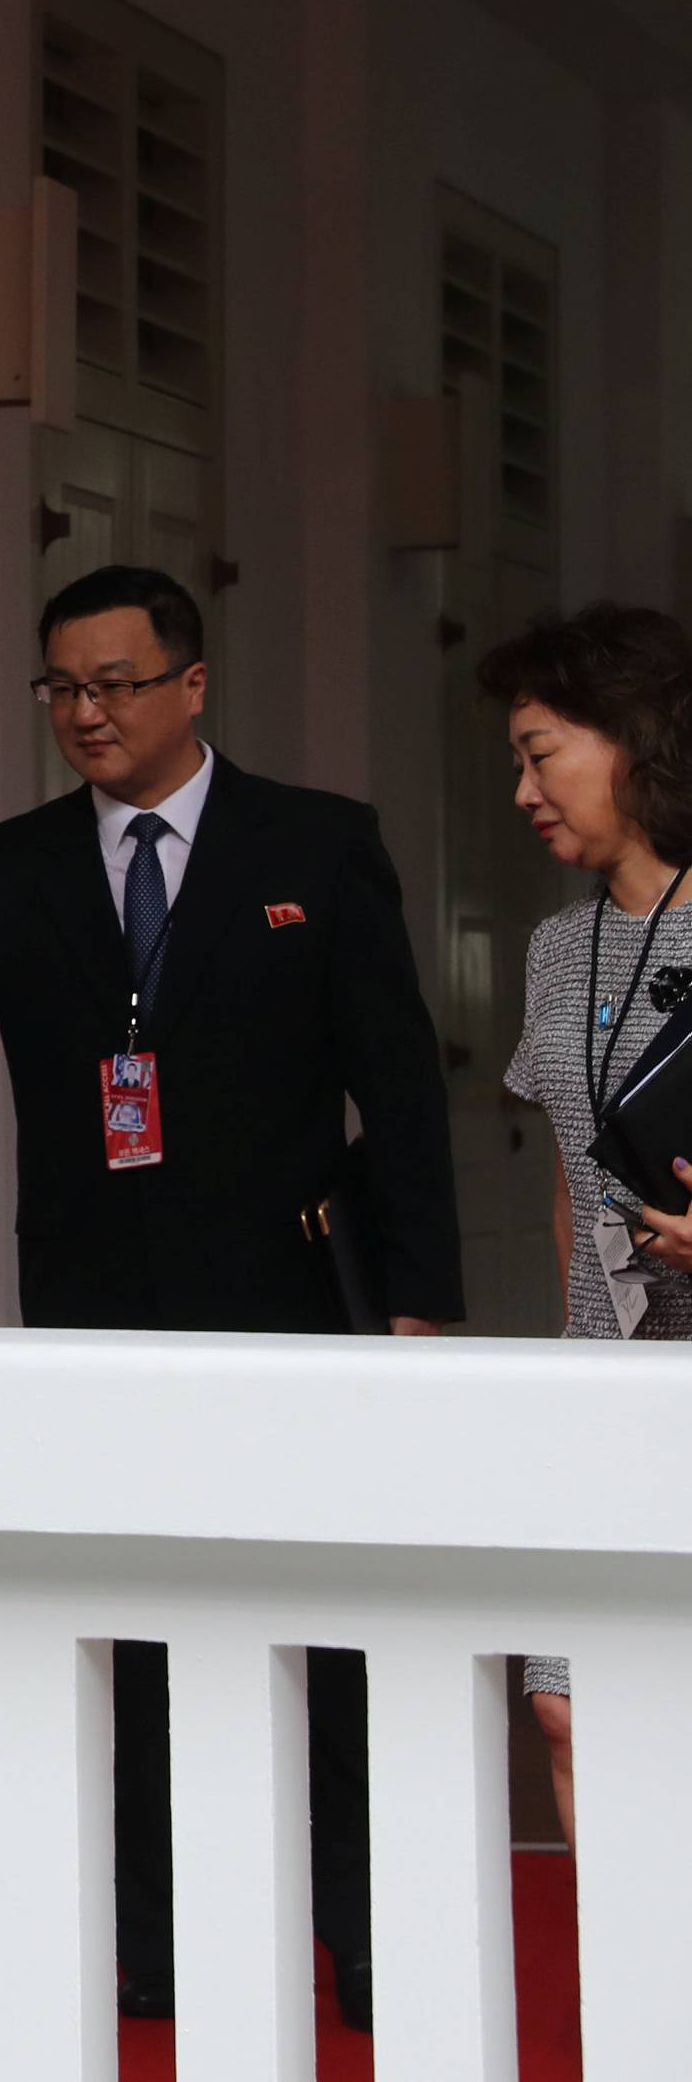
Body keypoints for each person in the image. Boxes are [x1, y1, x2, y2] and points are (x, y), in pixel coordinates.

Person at [0, 564, 464, 2039]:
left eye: (117, 685)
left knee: (322, 1626)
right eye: (62, 690)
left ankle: (356, 1924)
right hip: (92, 1304)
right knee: (126, 1625)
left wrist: (421, 1300)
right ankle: (143, 1932)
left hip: (284, 1293)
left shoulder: (317, 846)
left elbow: (397, 1084)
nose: (86, 714)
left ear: (191, 684)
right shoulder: (8, 865)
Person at [482, 602, 692, 1850]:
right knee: (570, 1713)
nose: (522, 791)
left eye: (539, 750)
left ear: (636, 740)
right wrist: (577, 1385)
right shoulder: (560, 952)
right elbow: (572, 1185)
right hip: (606, 1405)